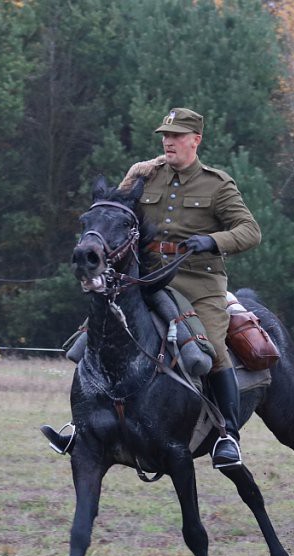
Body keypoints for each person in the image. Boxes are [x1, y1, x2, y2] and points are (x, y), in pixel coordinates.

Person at [42, 107, 262, 468]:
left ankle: (227, 436)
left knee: (212, 349)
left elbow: (250, 231)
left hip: (198, 282)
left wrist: (212, 240)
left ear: (196, 140)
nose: (168, 141)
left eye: (176, 136)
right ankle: (83, 427)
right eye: (165, 135)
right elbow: (114, 210)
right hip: (146, 278)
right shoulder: (147, 176)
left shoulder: (216, 183)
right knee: (91, 340)